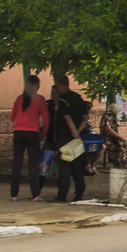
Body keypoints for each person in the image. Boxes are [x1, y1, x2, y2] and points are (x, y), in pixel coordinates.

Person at [9, 75, 48, 201]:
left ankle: (14, 195)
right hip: (32, 133)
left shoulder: (19, 98)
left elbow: (12, 116)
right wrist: (44, 132)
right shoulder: (40, 99)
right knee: (32, 164)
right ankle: (35, 194)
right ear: (36, 86)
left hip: (18, 132)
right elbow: (46, 119)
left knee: (17, 164)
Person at [53, 75, 87, 203]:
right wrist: (78, 132)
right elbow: (85, 118)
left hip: (66, 138)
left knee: (64, 167)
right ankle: (79, 194)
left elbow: (67, 118)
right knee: (77, 166)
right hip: (78, 139)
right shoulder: (78, 98)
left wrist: (73, 132)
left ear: (61, 85)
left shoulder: (64, 100)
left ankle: (62, 195)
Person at [100, 104, 127, 168]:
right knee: (120, 149)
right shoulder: (106, 117)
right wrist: (119, 137)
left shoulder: (113, 118)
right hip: (106, 139)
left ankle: (124, 164)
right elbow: (108, 129)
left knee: (125, 148)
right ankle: (117, 163)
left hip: (113, 139)